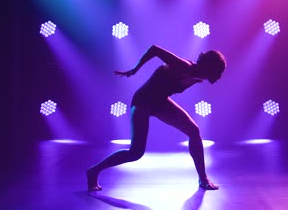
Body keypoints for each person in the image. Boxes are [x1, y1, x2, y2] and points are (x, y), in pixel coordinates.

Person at [86, 45, 227, 191]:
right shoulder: (183, 66)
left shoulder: (197, 76)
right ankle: (94, 171)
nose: (219, 77)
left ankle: (203, 179)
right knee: (135, 153)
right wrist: (135, 69)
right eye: (218, 72)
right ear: (209, 68)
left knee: (193, 131)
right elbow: (154, 49)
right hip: (143, 102)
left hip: (160, 102)